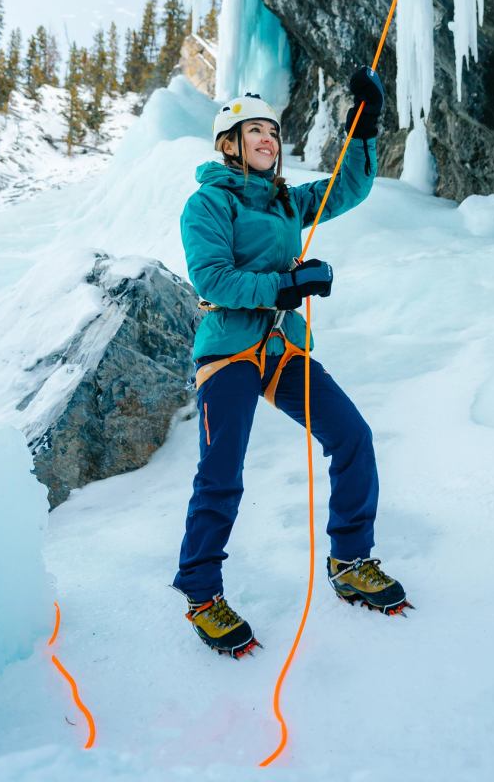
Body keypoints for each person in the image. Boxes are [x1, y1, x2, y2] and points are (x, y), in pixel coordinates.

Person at [173, 67, 408, 657]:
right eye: (255, 132)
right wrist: (286, 283)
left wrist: (366, 126)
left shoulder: (284, 202)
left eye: (273, 133)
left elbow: (346, 190)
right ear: (229, 144)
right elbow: (213, 278)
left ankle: (350, 559)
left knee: (352, 435)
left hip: (280, 349)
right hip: (228, 349)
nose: (268, 142)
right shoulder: (207, 205)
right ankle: (202, 594)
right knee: (221, 472)